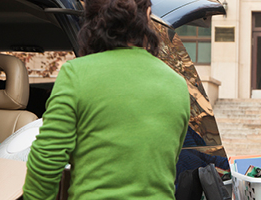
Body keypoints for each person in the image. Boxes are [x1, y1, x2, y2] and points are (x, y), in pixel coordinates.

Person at [22, 0, 191, 199]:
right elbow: (168, 161)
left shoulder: (76, 74)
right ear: (147, 15)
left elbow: (47, 160)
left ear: (91, 18)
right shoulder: (178, 85)